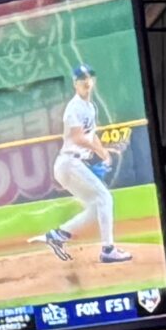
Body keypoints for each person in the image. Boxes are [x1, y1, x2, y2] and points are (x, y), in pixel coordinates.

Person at [41, 62, 133, 266]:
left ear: (94, 81)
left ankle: (59, 234)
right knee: (105, 198)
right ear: (75, 83)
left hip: (73, 164)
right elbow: (78, 138)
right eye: (82, 79)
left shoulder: (90, 107)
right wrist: (100, 151)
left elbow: (91, 135)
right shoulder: (74, 107)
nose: (86, 82)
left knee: (95, 206)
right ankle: (108, 250)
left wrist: (104, 154)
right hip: (69, 163)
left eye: (89, 78)